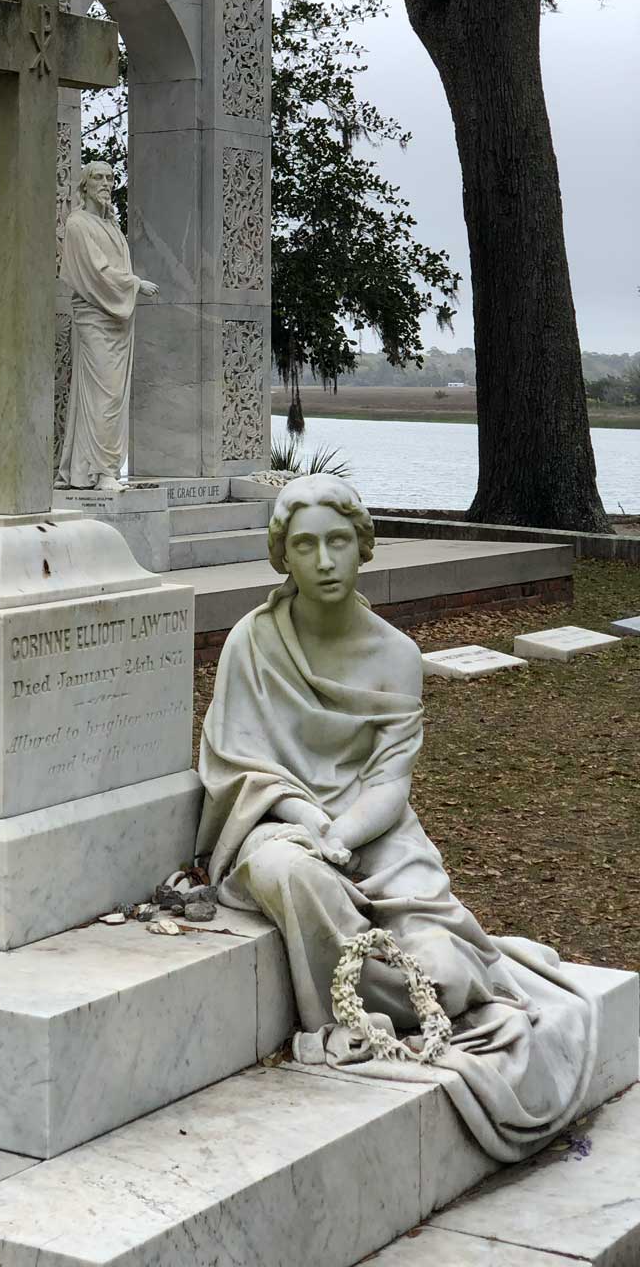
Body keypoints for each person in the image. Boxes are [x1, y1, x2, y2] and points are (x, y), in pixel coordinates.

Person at [196, 473, 597, 1162]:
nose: (323, 561)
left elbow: (388, 785)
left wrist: (343, 834)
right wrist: (311, 826)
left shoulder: (396, 656)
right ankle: (351, 1011)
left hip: (376, 835)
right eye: (305, 546)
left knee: (443, 974)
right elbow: (240, 766)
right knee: (295, 878)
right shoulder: (252, 643)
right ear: (282, 557)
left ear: (363, 548)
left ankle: (424, 986)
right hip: (277, 821)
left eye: (338, 542)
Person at [55, 161, 157, 492]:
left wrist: (128, 286)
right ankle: (102, 471)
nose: (106, 183)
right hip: (94, 316)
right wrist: (135, 283)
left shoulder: (112, 226)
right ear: (84, 185)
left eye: (111, 177)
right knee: (104, 394)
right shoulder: (78, 224)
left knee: (113, 396)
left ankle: (96, 470)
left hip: (118, 320)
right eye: (99, 177)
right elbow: (96, 272)